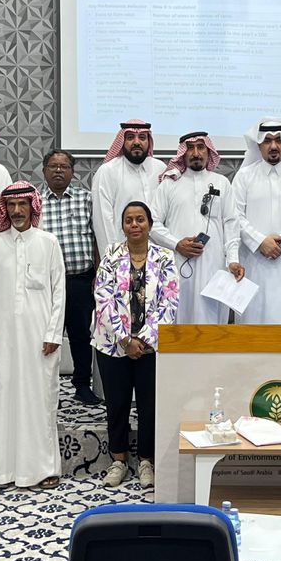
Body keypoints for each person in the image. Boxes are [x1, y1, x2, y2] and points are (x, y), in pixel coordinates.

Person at [0, 182, 66, 489]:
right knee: (4, 400)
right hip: (1, 338)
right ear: (5, 209)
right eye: (11, 206)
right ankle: (3, 471)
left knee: (40, 400)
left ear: (32, 207)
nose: (16, 211)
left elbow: (59, 293)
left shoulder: (48, 242)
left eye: (22, 205)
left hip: (41, 338)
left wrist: (54, 332)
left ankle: (43, 469)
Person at [92, 201, 181, 489]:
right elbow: (103, 299)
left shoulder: (165, 257)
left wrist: (143, 339)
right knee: (116, 404)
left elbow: (170, 301)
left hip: (151, 348)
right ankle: (118, 461)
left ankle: (146, 462)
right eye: (129, 220)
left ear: (150, 225)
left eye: (140, 219)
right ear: (122, 226)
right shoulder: (110, 256)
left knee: (149, 406)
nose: (134, 225)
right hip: (112, 346)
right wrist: (125, 339)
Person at [227, 119, 281, 324]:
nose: (273, 146)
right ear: (258, 145)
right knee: (253, 324)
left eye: (278, 140)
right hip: (253, 262)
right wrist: (260, 242)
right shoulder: (244, 176)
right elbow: (235, 215)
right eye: (267, 141)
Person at [151, 131, 236, 326]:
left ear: (209, 151)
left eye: (201, 147)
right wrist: (177, 244)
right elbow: (153, 223)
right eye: (190, 148)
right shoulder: (169, 184)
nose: (196, 153)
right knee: (179, 319)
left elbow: (231, 224)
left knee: (212, 320)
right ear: (183, 153)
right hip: (178, 266)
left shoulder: (222, 183)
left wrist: (233, 260)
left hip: (214, 267)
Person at [38, 149, 100, 405]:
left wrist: (98, 274)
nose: (59, 171)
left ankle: (82, 385)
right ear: (44, 172)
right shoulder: (35, 202)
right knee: (44, 335)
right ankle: (42, 386)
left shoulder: (86, 199)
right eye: (53, 166)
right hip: (44, 284)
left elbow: (97, 237)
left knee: (80, 337)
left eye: (64, 166)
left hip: (79, 281)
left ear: (73, 172)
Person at [90, 120, 164, 253]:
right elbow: (103, 221)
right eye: (130, 137)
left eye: (142, 137)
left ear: (149, 141)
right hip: (123, 254)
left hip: (158, 254)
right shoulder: (107, 171)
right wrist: (113, 258)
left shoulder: (160, 169)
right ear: (122, 141)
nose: (136, 142)